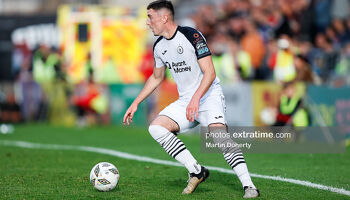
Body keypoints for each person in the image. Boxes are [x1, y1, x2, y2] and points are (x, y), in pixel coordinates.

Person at [123, 0, 259, 198]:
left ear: (164, 17)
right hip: (187, 100)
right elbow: (156, 77)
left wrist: (196, 98)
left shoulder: (191, 35)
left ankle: (249, 186)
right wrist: (136, 102)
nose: (147, 22)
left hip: (208, 95)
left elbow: (210, 72)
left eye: (150, 17)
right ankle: (196, 170)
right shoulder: (159, 46)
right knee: (156, 127)